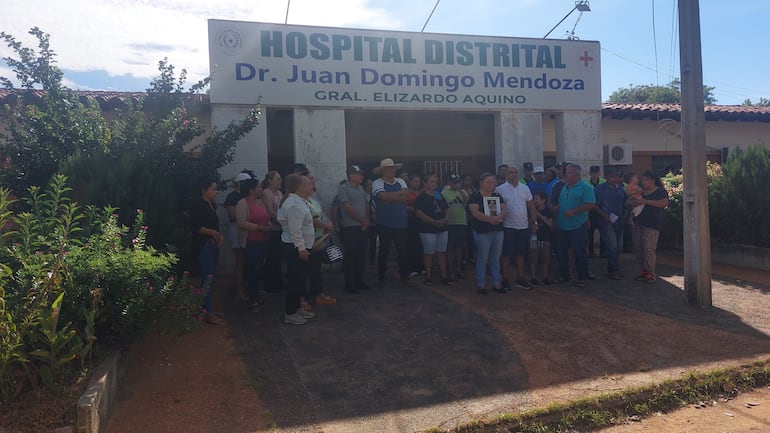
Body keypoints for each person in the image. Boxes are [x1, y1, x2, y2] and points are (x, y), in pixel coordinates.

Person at [277, 174, 316, 325]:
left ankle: (297, 308)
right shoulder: (294, 203)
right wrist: (301, 248)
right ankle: (290, 313)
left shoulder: (298, 201)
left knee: (300, 280)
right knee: (295, 280)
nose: (310, 185)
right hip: (295, 249)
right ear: (300, 186)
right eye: (306, 183)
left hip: (300, 248)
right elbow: (295, 230)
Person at [189, 176, 224, 325]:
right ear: (204, 190)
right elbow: (196, 227)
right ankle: (208, 313)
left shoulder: (211, 204)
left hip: (212, 245)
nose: (216, 192)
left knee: (209, 278)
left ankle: (206, 308)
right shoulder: (199, 205)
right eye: (213, 189)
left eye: (216, 189)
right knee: (208, 279)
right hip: (204, 246)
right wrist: (214, 234)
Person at [372, 158, 412, 287]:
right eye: (390, 168)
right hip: (384, 224)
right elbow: (382, 197)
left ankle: (404, 276)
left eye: (393, 168)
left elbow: (406, 195)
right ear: (383, 170)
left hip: (401, 223)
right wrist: (399, 195)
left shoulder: (400, 181)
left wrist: (390, 197)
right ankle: (382, 275)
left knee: (403, 251)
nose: (392, 170)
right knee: (384, 250)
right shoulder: (377, 183)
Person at [496, 165, 536, 290]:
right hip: (508, 227)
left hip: (523, 226)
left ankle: (520, 277)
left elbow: (531, 206)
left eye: (516, 172)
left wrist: (534, 222)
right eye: (511, 172)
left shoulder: (525, 188)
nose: (514, 174)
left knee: (521, 254)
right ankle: (505, 278)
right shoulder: (499, 189)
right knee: (506, 254)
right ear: (506, 174)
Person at [554, 164, 596, 288]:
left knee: (580, 252)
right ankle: (564, 275)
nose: (567, 175)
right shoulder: (565, 187)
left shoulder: (586, 188)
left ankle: (582, 277)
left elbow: (590, 204)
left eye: (569, 173)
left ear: (577, 175)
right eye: (566, 172)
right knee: (561, 252)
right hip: (562, 226)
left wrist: (574, 211)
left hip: (577, 226)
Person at [235, 178, 271, 309]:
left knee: (258, 268)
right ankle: (252, 297)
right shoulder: (242, 203)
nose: (261, 189)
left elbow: (267, 218)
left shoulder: (260, 203)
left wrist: (268, 227)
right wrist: (260, 228)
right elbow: (242, 222)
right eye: (258, 187)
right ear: (251, 190)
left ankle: (255, 294)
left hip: (263, 241)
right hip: (251, 241)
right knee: (253, 269)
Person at [468, 172, 507, 294]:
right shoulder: (475, 196)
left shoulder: (497, 195)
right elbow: (475, 212)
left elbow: (504, 208)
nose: (491, 184)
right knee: (483, 258)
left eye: (493, 182)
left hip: (497, 230)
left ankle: (496, 283)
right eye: (488, 182)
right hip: (482, 231)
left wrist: (498, 217)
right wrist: (491, 219)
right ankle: (481, 284)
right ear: (481, 183)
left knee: (496, 258)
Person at [629, 170, 669, 284]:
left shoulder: (660, 191)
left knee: (648, 248)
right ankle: (643, 271)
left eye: (646, 179)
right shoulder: (641, 191)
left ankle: (651, 273)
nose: (643, 182)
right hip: (638, 223)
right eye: (642, 180)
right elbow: (629, 202)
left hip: (652, 224)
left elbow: (664, 203)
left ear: (652, 180)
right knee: (638, 248)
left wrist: (646, 201)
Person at [338, 165, 370, 294]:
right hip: (350, 227)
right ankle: (349, 284)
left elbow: (366, 205)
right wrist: (361, 220)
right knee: (351, 254)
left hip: (362, 226)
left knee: (361, 254)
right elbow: (346, 207)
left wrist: (366, 220)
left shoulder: (361, 188)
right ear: (351, 175)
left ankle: (359, 280)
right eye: (359, 174)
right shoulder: (344, 188)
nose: (362, 177)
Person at [414, 173, 451, 286]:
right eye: (431, 181)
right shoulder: (421, 197)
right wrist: (433, 222)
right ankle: (428, 276)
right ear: (425, 183)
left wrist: (445, 219)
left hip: (442, 228)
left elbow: (446, 208)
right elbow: (419, 213)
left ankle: (444, 276)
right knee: (429, 253)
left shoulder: (439, 195)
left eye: (435, 181)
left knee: (442, 252)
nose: (434, 184)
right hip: (427, 229)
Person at [306, 172, 337, 305]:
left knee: (315, 268)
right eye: (310, 179)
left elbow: (322, 213)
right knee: (304, 270)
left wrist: (328, 224)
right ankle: (302, 298)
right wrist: (326, 225)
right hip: (307, 239)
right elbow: (311, 219)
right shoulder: (302, 200)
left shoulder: (313, 199)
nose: (313, 181)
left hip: (319, 237)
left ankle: (317, 293)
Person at [593, 167, 627, 280]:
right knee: (612, 246)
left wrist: (625, 215)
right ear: (607, 177)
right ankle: (614, 270)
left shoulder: (621, 189)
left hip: (619, 222)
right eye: (612, 176)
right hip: (606, 222)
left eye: (617, 176)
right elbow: (594, 205)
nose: (615, 179)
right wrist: (604, 215)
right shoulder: (600, 189)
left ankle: (613, 267)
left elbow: (624, 203)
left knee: (618, 247)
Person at [225, 171, 252, 301]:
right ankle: (239, 291)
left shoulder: (247, 196)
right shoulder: (232, 196)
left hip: (246, 229)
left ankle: (245, 288)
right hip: (236, 230)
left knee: (246, 261)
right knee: (240, 261)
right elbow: (232, 215)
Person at [441, 173, 468, 280]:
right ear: (449, 183)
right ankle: (450, 268)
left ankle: (458, 269)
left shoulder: (462, 192)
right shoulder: (444, 193)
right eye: (454, 182)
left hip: (461, 222)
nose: (456, 184)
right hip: (450, 223)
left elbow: (468, 201)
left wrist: (460, 191)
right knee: (450, 247)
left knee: (459, 247)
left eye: (458, 182)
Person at [261, 171, 284, 292]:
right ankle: (270, 283)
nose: (280, 181)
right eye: (277, 178)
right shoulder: (266, 193)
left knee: (278, 256)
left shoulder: (279, 193)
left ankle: (278, 282)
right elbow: (270, 212)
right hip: (273, 227)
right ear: (270, 180)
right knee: (272, 256)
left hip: (281, 228)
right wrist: (282, 222)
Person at [529, 191, 554, 285]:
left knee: (545, 257)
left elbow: (550, 224)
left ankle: (545, 276)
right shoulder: (531, 210)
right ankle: (533, 276)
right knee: (533, 257)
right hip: (534, 237)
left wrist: (537, 214)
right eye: (534, 199)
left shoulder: (548, 211)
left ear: (543, 200)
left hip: (545, 237)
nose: (534, 201)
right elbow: (529, 223)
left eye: (537, 199)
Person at [405, 173, 424, 276]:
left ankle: (420, 266)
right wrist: (414, 210)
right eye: (415, 181)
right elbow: (403, 206)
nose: (418, 183)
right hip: (410, 221)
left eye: (419, 181)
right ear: (410, 182)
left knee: (421, 244)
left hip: (421, 221)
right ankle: (411, 268)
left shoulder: (422, 192)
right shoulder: (407, 193)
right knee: (411, 244)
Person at [587, 166, 605, 258]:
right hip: (590, 211)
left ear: (599, 173)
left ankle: (603, 252)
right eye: (593, 172)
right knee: (590, 232)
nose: (594, 174)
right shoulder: (585, 183)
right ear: (590, 173)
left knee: (603, 231)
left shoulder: (604, 182)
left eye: (596, 172)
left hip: (601, 210)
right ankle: (590, 252)